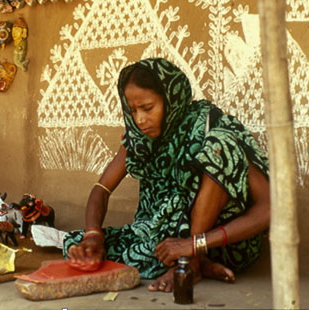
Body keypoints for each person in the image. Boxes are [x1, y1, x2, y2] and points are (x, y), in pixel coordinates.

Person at [64, 58, 270, 292]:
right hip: (170, 243)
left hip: (222, 242)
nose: (140, 119)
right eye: (133, 110)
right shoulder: (138, 139)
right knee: (81, 247)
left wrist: (194, 245)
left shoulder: (209, 126)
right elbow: (102, 189)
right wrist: (93, 235)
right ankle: (199, 264)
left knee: (219, 145)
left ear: (171, 99)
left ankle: (191, 263)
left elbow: (268, 208)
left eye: (148, 108)